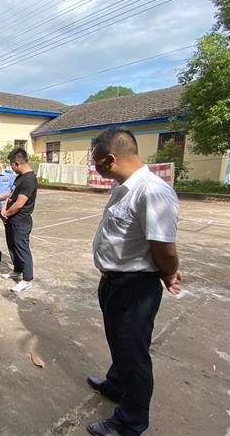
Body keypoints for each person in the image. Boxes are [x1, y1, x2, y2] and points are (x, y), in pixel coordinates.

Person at [86, 127, 181, 436]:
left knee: (134, 355)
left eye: (96, 161)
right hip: (114, 282)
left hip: (135, 287)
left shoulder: (152, 192)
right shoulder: (123, 187)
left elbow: (164, 248)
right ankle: (116, 384)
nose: (95, 167)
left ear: (111, 159)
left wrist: (170, 272)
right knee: (119, 343)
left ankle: (130, 423)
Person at [0, 147, 38, 293]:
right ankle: (17, 271)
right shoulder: (19, 177)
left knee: (22, 249)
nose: (11, 168)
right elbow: (11, 195)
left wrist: (6, 213)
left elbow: (19, 204)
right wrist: (4, 208)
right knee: (12, 247)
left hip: (21, 222)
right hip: (11, 220)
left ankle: (27, 280)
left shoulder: (29, 179)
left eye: (11, 165)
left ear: (17, 163)